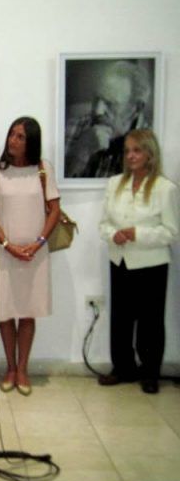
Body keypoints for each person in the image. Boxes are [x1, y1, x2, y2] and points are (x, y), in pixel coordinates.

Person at [0, 116, 60, 396]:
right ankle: (10, 367)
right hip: (5, 252)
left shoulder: (42, 169)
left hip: (35, 254)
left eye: (21, 136)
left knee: (27, 312)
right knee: (5, 311)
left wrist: (37, 243)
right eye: (12, 134)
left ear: (32, 142)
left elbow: (54, 211)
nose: (13, 140)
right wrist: (8, 243)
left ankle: (23, 368)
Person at [97, 129, 179, 394]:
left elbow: (171, 232)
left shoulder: (165, 188)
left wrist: (137, 234)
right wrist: (114, 234)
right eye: (128, 151)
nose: (131, 156)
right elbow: (103, 224)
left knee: (150, 322)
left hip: (151, 264)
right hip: (119, 260)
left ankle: (150, 372)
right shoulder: (114, 183)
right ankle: (123, 368)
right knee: (120, 319)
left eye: (137, 150)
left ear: (149, 153)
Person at [65, 60, 152, 178]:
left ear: (136, 108)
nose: (97, 111)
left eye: (110, 104)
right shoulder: (75, 126)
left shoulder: (151, 145)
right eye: (96, 99)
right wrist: (80, 153)